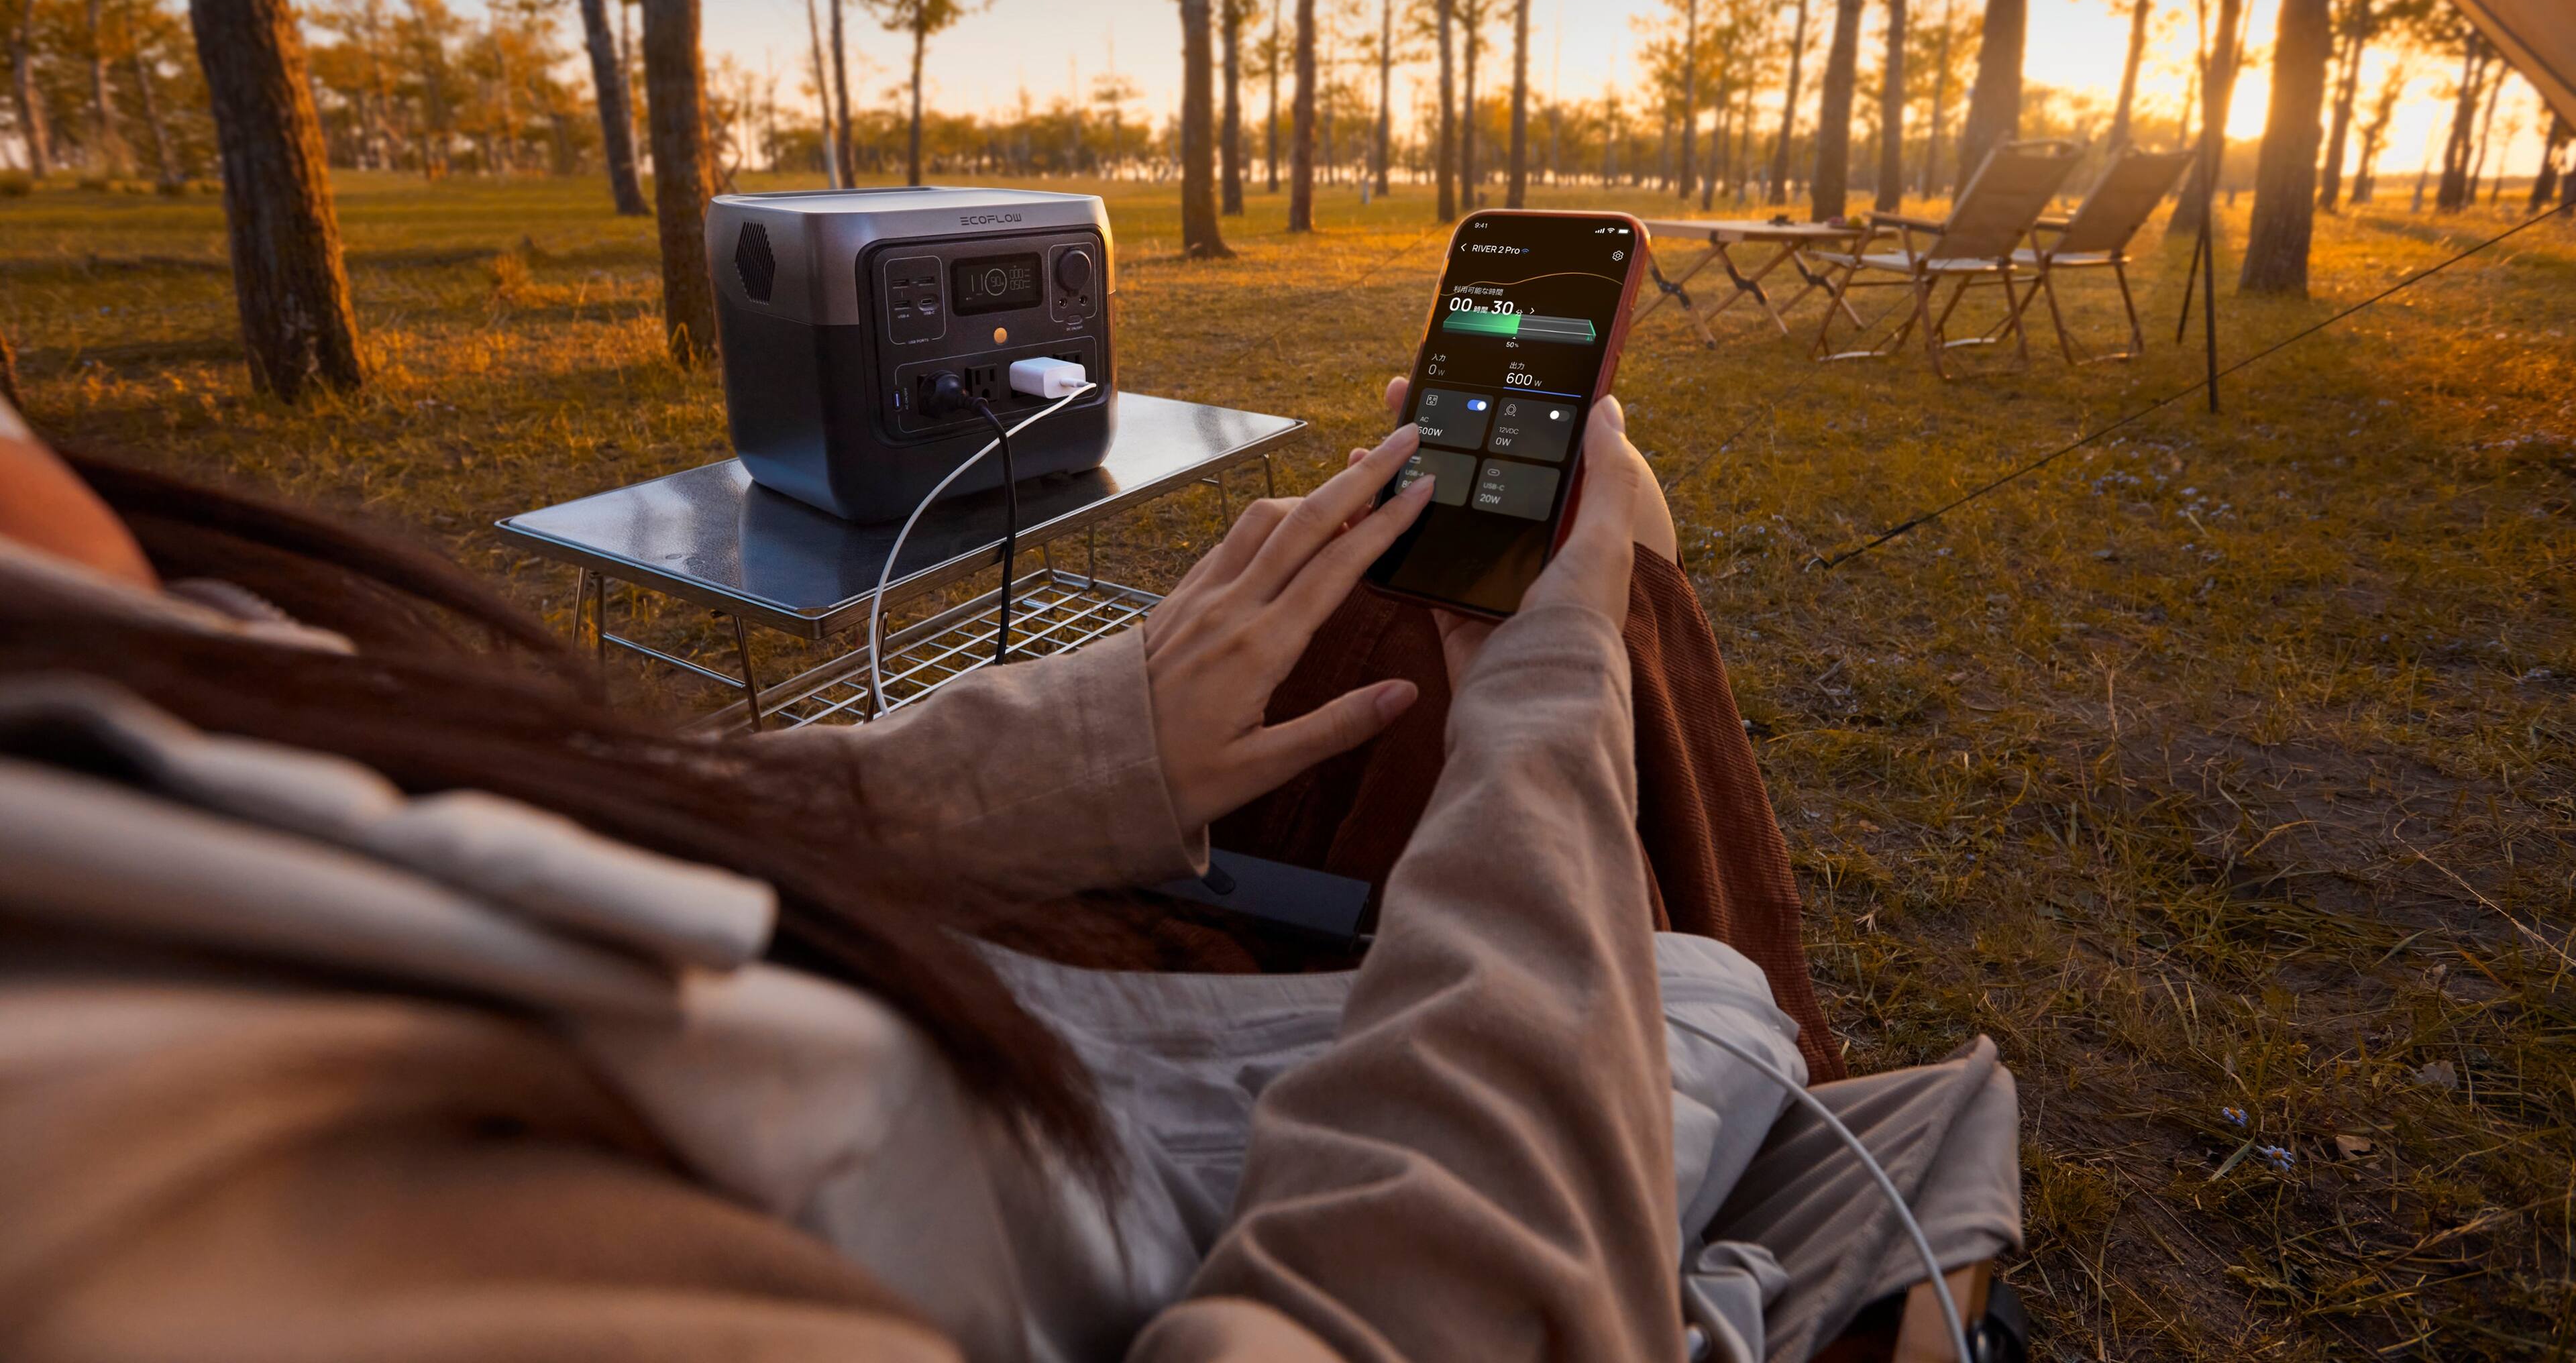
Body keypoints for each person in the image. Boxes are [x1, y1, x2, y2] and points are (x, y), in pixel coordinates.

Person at [0, 380, 2020, 1362]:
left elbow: (528, 839)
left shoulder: (68, 683)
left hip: (938, 994)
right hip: (1067, 1148)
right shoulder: (137, 1211)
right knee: (1647, 798)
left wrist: (1088, 744)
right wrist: (1548, 711)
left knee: (1404, 607)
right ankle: (1825, 1154)